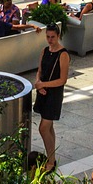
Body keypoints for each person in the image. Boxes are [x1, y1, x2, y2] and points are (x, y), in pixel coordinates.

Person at [34, 24, 70, 172]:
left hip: (54, 95)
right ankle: (52, 155)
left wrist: (44, 84)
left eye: (53, 37)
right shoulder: (44, 51)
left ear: (58, 36)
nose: (50, 40)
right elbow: (40, 70)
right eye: (48, 37)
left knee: (43, 128)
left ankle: (51, 161)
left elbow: (62, 80)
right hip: (43, 92)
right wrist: (38, 84)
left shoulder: (63, 54)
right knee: (49, 127)